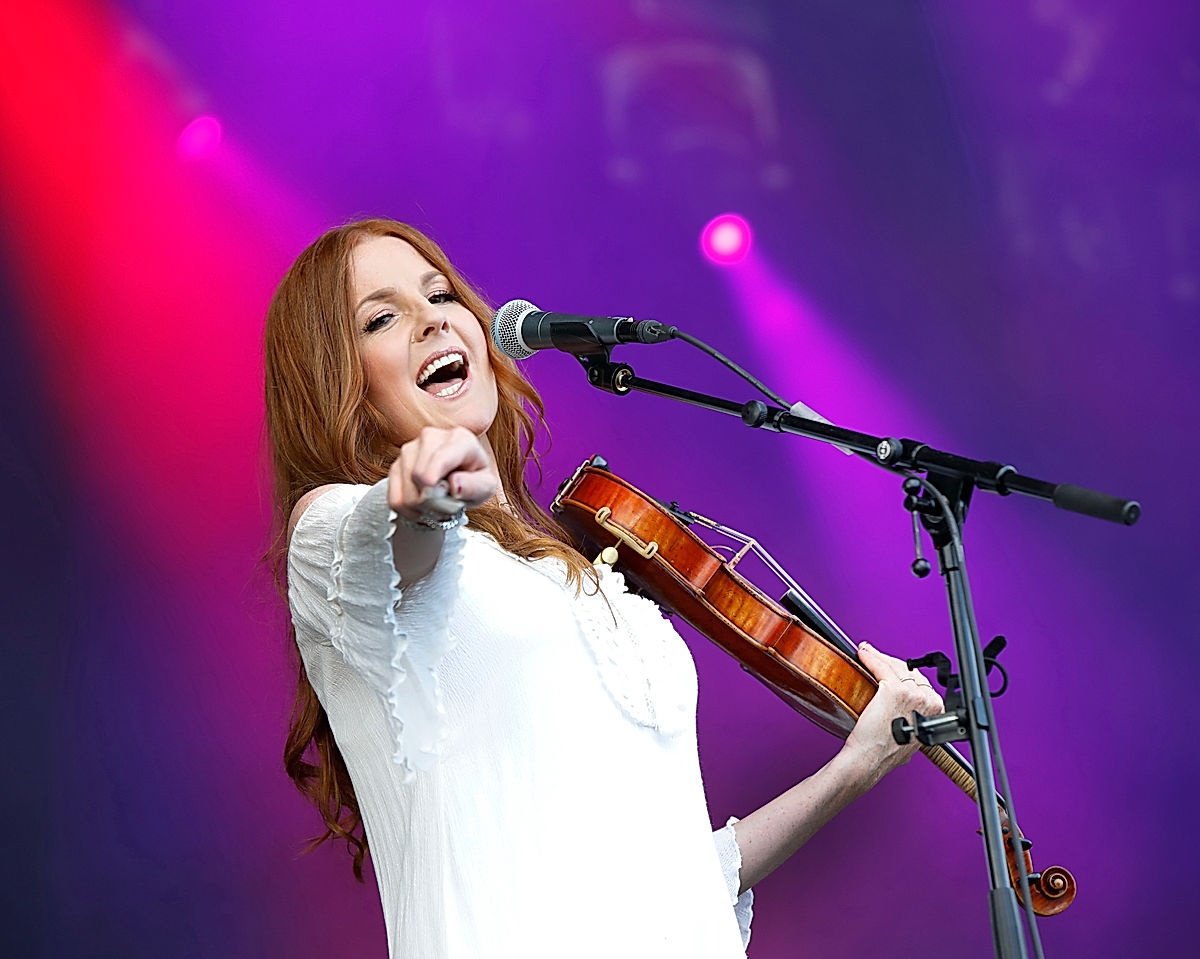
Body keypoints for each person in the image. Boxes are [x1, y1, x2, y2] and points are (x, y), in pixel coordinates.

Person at [263, 217, 944, 958]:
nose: (433, 319)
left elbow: (677, 884)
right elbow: (395, 538)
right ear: (339, 380)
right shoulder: (331, 532)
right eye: (384, 317)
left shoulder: (557, 573)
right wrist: (427, 485)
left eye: (441, 294)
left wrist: (857, 765)